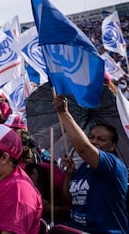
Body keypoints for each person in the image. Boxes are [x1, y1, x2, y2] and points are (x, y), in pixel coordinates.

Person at [53, 95, 129, 233]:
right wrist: (69, 175)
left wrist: (63, 113)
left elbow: (84, 148)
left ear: (113, 146)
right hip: (76, 228)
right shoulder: (84, 167)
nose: (94, 142)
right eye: (91, 137)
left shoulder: (113, 164)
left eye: (102, 139)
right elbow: (70, 199)